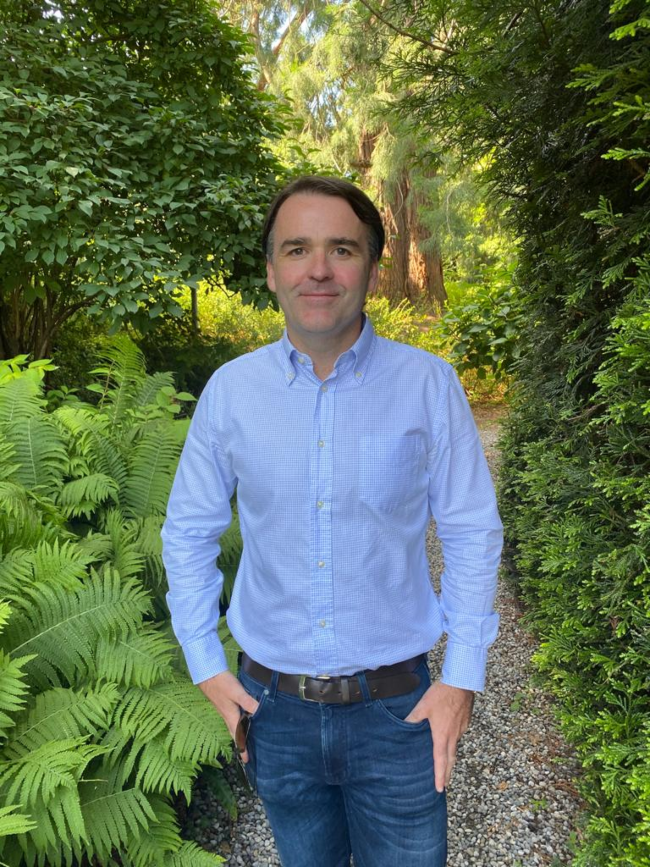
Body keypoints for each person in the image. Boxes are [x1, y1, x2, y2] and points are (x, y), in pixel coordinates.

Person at [161, 176, 502, 867]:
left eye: (341, 248)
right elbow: (188, 530)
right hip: (273, 713)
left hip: (399, 711)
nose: (319, 268)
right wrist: (204, 662)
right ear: (271, 271)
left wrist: (462, 675)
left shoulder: (428, 386)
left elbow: (472, 529)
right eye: (297, 249)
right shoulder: (231, 393)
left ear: (372, 269)